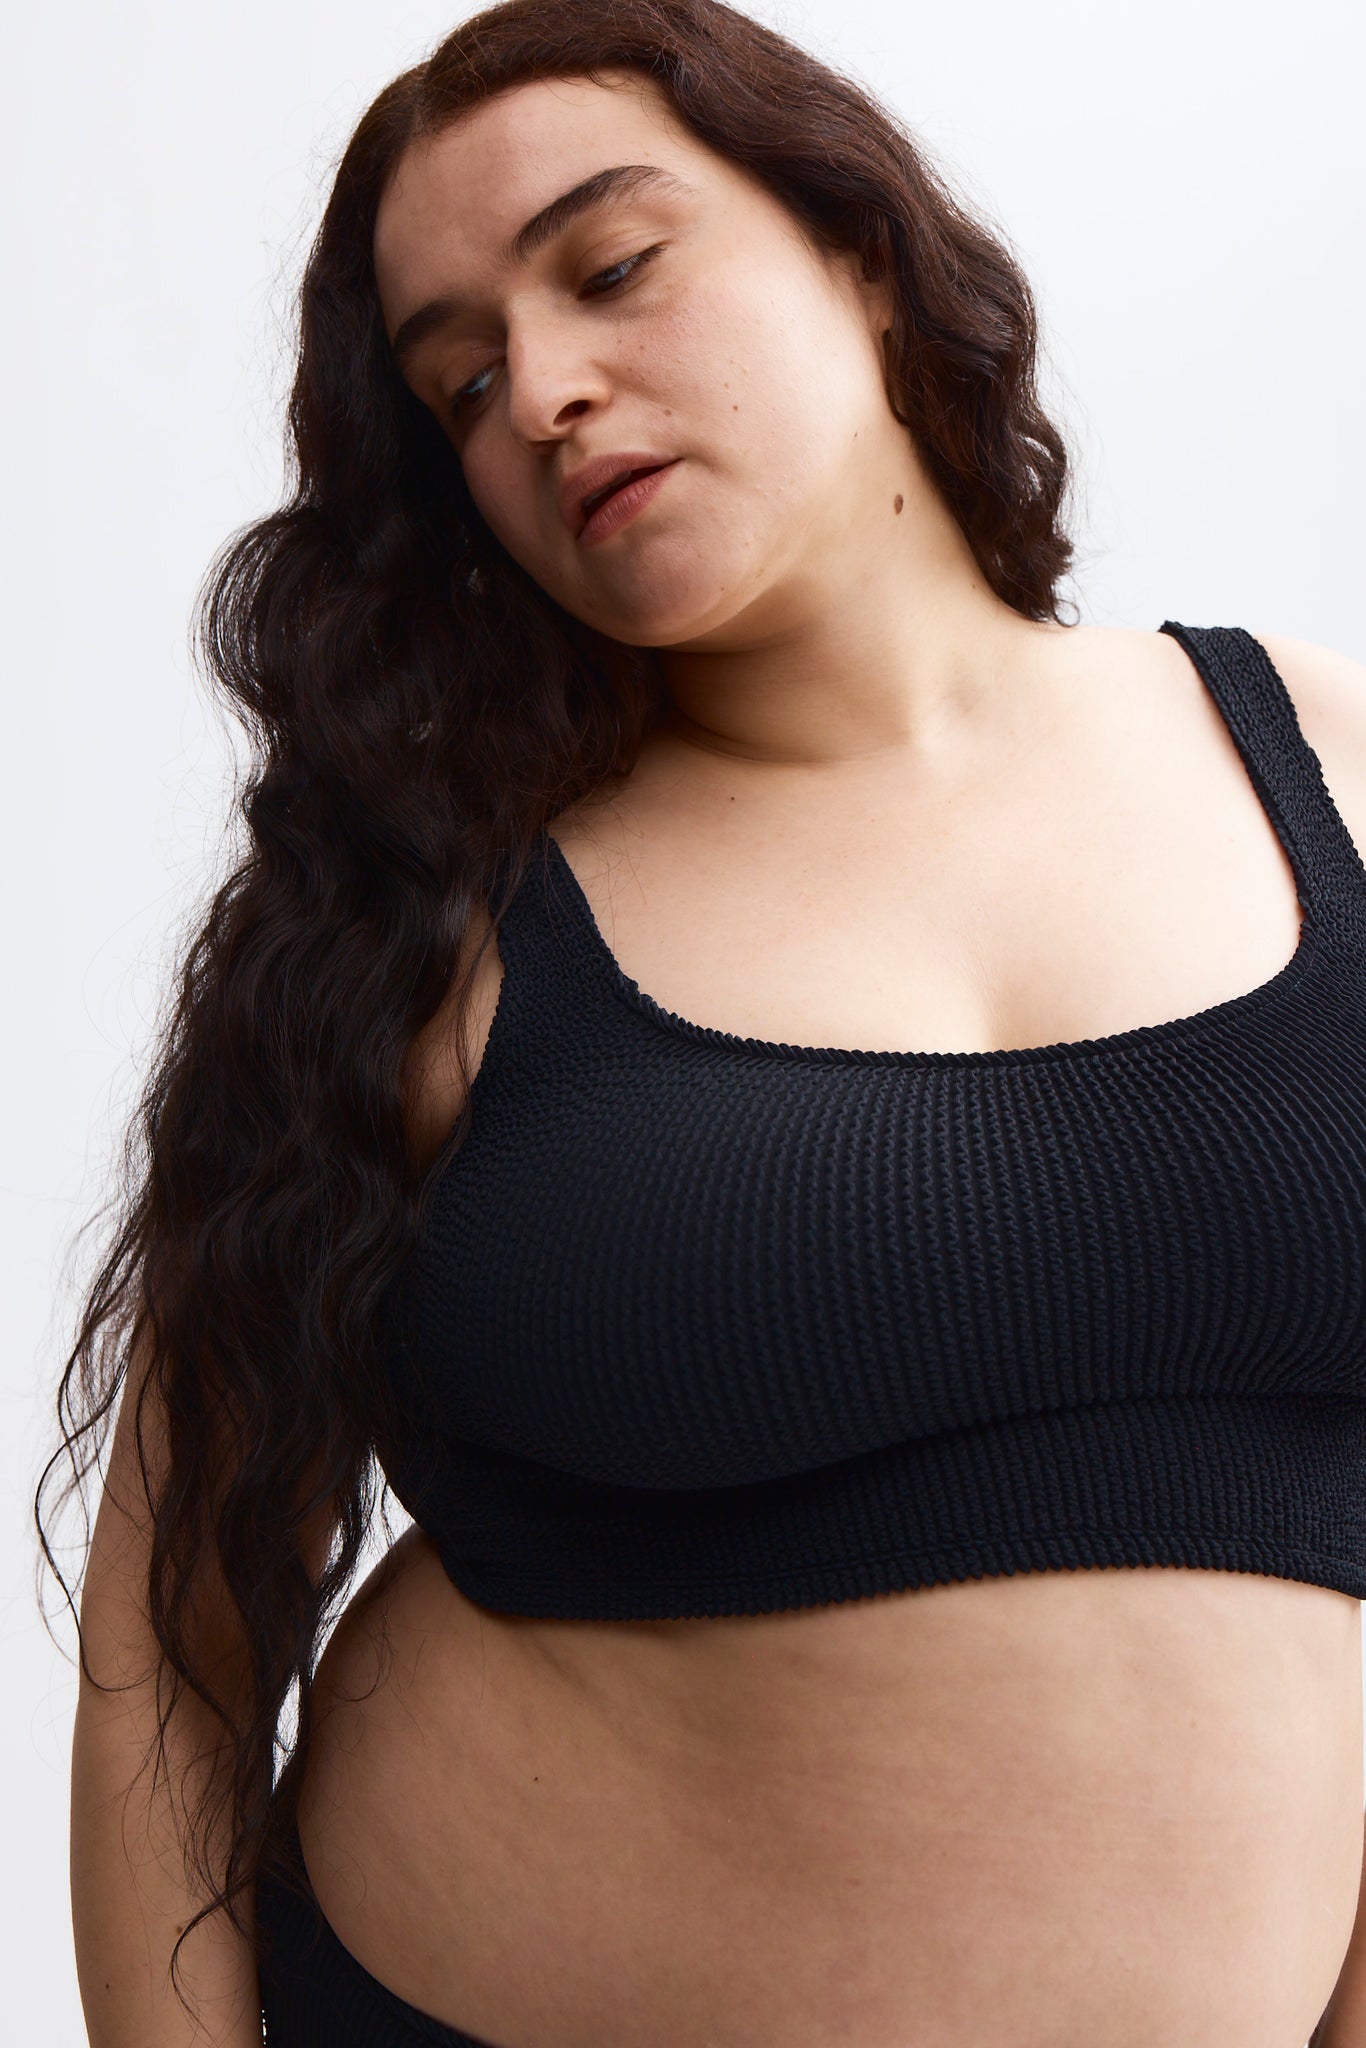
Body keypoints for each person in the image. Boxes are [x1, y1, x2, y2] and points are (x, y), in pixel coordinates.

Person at [41, 0, 1366, 2042]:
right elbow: (173, 1654)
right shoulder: (417, 927)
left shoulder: (1325, 766)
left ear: (858, 249)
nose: (542, 393)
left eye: (610, 266)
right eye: (461, 381)